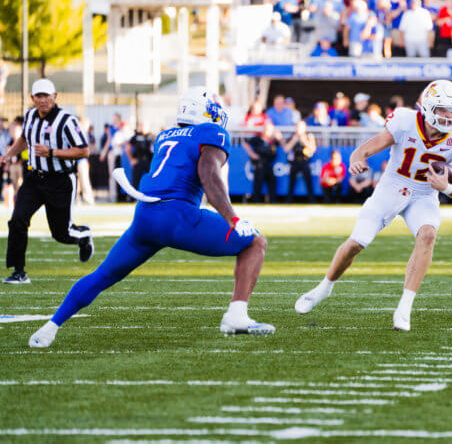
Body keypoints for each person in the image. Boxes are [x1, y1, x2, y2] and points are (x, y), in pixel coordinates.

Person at [28, 86, 273, 348]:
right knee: (255, 243)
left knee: (103, 275)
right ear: (203, 110)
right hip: (178, 217)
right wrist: (233, 219)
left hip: (145, 217)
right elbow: (210, 178)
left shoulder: (165, 135)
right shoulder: (211, 132)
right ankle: (236, 315)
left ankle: (50, 326)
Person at [294, 80, 452, 331]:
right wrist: (356, 160)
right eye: (443, 110)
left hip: (424, 194)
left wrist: (446, 188)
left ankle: (405, 307)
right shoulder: (405, 120)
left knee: (428, 234)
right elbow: (363, 150)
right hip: (392, 187)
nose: (450, 116)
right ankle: (324, 288)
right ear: (429, 107)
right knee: (356, 244)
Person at [2, 79, 93, 284]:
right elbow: (25, 139)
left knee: (61, 234)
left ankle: (84, 235)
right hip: (34, 179)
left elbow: (84, 150)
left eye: (46, 96)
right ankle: (19, 271)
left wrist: (52, 152)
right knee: (17, 220)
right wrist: (8, 155)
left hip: (60, 181)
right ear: (32, 98)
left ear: (55, 96)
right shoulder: (30, 116)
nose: (43, 100)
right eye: (39, 96)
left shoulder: (66, 120)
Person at [243, 122, 281, 203]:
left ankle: (272, 200)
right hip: (260, 164)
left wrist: (279, 138)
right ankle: (256, 201)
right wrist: (252, 154)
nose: (269, 132)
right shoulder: (257, 139)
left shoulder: (273, 141)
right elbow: (245, 143)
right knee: (258, 183)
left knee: (272, 182)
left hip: (269, 164)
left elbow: (283, 146)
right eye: (268, 129)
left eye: (271, 130)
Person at [284, 120, 316, 203]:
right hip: (295, 161)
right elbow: (286, 149)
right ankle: (289, 199)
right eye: (298, 127)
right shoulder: (292, 137)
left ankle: (311, 198)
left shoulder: (309, 136)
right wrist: (294, 139)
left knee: (308, 180)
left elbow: (313, 149)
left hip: (305, 161)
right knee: (291, 181)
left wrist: (304, 140)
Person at [125, 123, 154, 191]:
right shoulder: (136, 136)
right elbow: (127, 148)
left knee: (151, 179)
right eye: (141, 126)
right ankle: (133, 198)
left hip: (149, 161)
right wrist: (131, 159)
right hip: (139, 160)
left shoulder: (150, 136)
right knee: (136, 181)